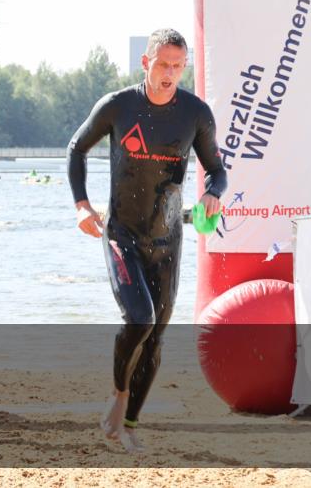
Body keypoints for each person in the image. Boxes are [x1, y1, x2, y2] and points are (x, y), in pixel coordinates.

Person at [66, 28, 227, 453]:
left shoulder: (196, 114)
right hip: (121, 232)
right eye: (163, 65)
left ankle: (131, 423)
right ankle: (119, 395)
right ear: (146, 63)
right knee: (140, 319)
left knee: (156, 335)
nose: (170, 74)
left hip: (168, 239)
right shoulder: (119, 106)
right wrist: (82, 205)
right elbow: (76, 149)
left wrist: (212, 194)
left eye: (178, 66)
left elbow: (218, 169)